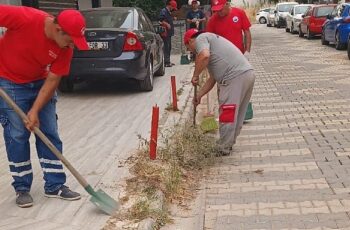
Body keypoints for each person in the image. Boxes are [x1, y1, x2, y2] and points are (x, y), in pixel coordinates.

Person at [0, 5, 89, 208]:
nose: (72, 46)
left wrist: (35, 110)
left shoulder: (65, 48)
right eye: (71, 40)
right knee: (17, 135)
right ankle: (22, 187)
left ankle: (55, 185)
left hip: (40, 82)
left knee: (49, 132)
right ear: (58, 29)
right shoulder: (26, 17)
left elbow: (52, 80)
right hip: (9, 81)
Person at [184, 29, 255, 156]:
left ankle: (223, 147)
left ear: (190, 41)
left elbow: (204, 55)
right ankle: (228, 143)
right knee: (237, 113)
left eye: (190, 48)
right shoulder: (212, 44)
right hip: (247, 73)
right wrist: (199, 95)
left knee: (227, 112)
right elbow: (212, 79)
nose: (193, 52)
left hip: (234, 77)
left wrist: (195, 75)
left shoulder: (201, 39)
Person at [159, 0, 177, 67]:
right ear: (169, 5)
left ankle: (168, 61)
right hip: (165, 33)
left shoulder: (168, 12)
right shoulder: (163, 11)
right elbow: (160, 20)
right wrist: (167, 24)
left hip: (168, 33)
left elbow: (166, 19)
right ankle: (166, 62)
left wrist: (172, 18)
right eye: (173, 7)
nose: (173, 9)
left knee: (169, 47)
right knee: (166, 47)